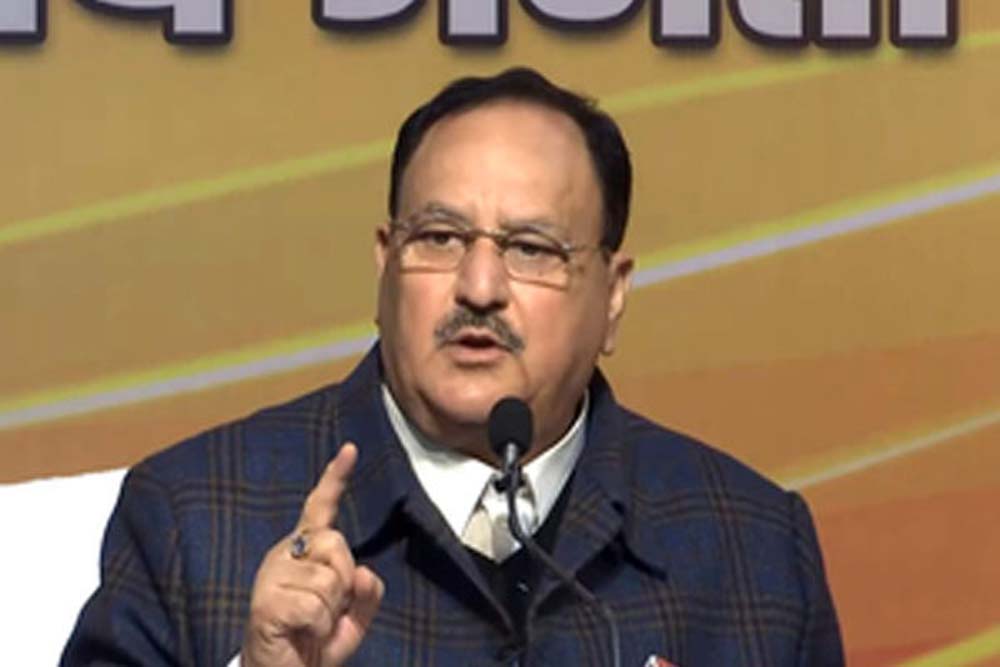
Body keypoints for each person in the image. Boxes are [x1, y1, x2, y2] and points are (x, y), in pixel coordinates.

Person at [62, 67, 844, 666]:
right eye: (439, 238)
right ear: (385, 263)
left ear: (612, 295)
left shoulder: (754, 544)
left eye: (531, 248)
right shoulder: (192, 518)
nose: (478, 286)